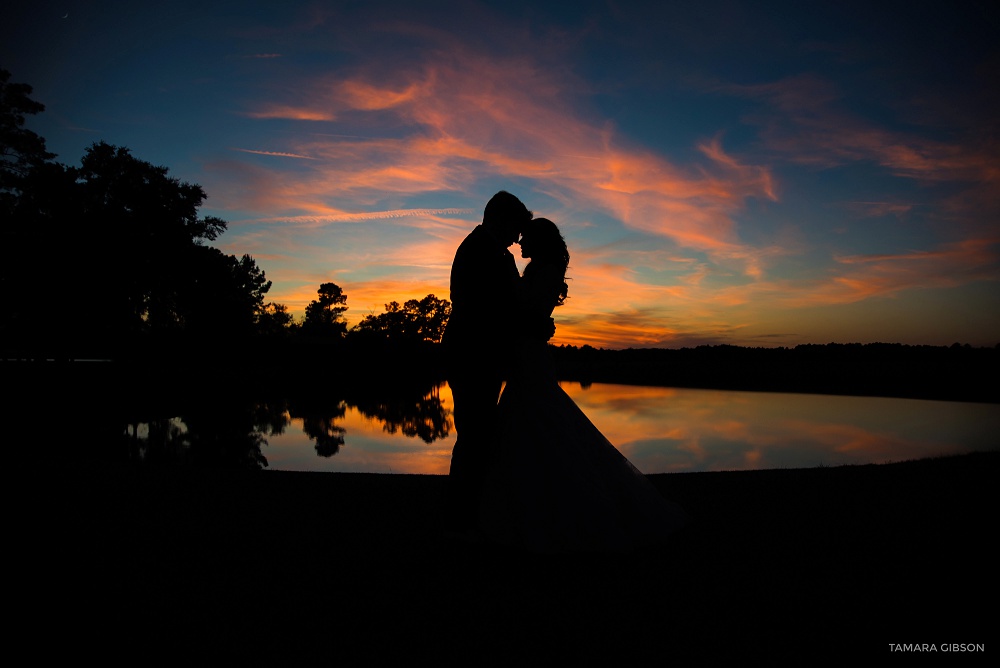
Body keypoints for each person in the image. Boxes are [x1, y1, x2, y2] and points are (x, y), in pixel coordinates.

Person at [479, 218, 690, 552]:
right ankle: (527, 507)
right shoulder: (537, 269)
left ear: (539, 240)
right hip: (526, 354)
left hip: (531, 357)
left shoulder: (545, 271)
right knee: (528, 427)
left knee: (541, 424)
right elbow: (530, 314)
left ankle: (556, 513)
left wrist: (516, 301)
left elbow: (529, 313)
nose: (519, 243)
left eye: (525, 238)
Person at [442, 191, 533, 532]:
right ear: (501, 219)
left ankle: (467, 511)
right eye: (515, 229)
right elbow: (488, 307)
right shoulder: (481, 250)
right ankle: (463, 517)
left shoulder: (484, 248)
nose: (517, 239)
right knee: (474, 436)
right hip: (473, 355)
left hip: (477, 354)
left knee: (477, 435)